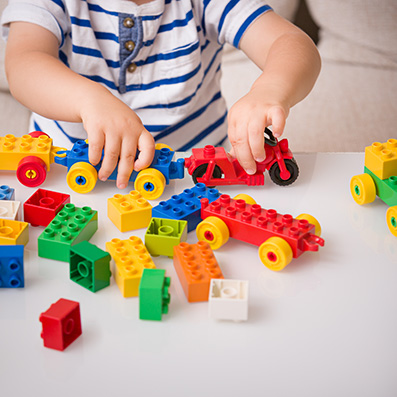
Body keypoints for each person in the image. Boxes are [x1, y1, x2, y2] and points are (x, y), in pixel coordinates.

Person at [1, 0, 320, 189]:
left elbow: (291, 43)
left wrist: (271, 89)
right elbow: (25, 63)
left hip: (191, 178)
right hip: (63, 175)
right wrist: (88, 99)